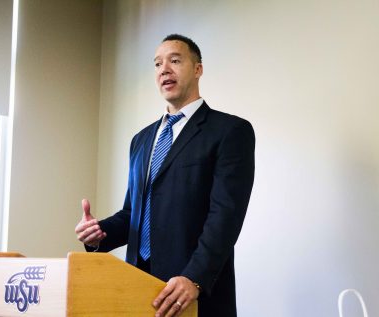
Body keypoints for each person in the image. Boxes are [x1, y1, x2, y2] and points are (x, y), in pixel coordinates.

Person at [75, 34, 255, 317]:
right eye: (158, 64)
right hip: (138, 289)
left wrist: (194, 277)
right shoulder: (141, 139)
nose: (164, 69)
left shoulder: (230, 132)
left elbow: (225, 216)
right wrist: (99, 234)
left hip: (193, 292)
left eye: (175, 60)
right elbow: (134, 212)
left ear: (198, 69)